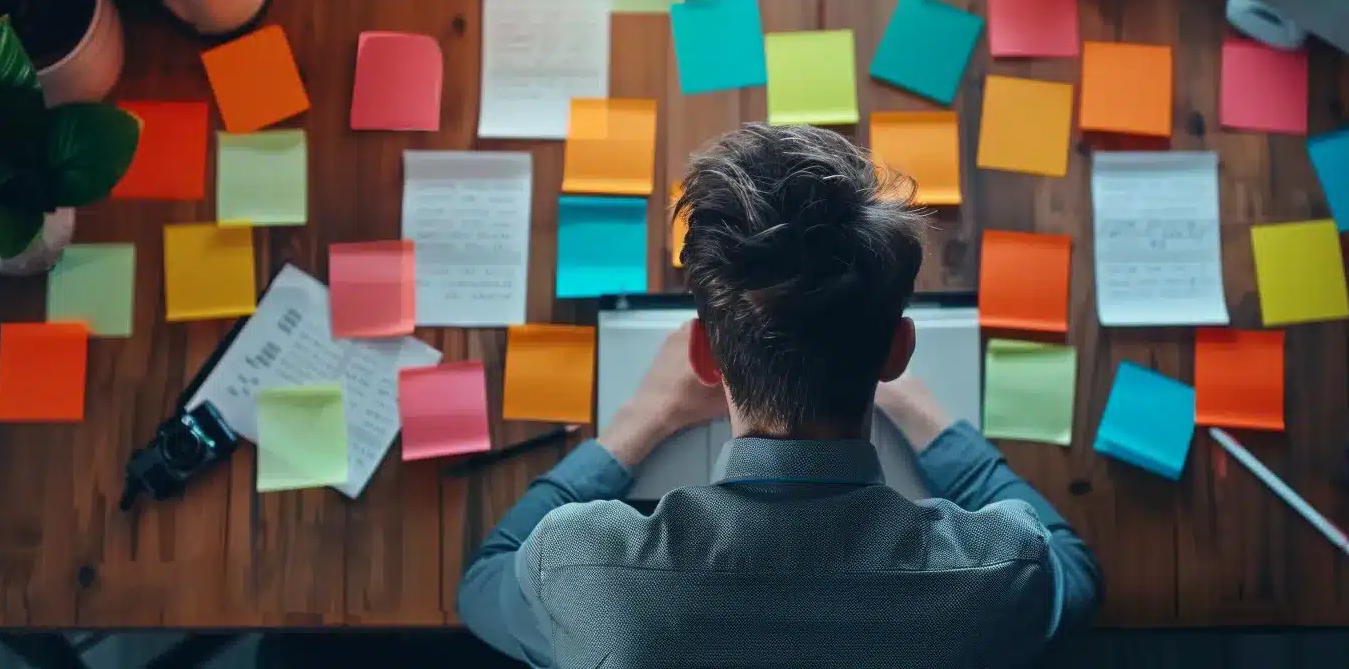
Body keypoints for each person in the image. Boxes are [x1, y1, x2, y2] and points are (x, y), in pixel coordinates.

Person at [457, 124, 1101, 668]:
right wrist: (931, 423)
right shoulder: (996, 574)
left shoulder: (583, 572)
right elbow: (1073, 567)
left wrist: (640, 422)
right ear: (898, 353)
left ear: (704, 356)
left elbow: (486, 578)